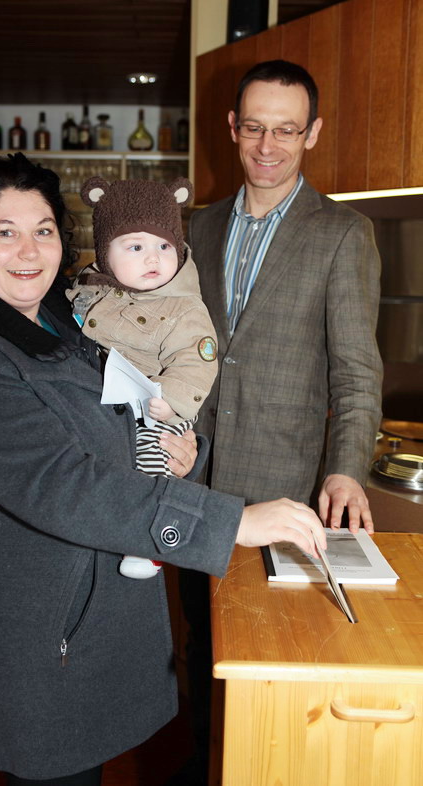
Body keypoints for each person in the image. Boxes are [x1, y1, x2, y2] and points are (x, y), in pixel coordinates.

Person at [0, 153, 326, 786]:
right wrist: (230, 522)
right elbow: (63, 485)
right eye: (4, 231)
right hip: (43, 631)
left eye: (44, 230)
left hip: (96, 619)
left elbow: (126, 418)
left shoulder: (63, 319)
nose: (29, 251)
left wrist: (183, 450)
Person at [171, 59, 383, 785]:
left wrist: (346, 469)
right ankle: (206, 763)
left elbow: (355, 370)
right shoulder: (197, 227)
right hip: (197, 485)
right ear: (233, 128)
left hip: (285, 492)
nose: (268, 145)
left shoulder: (343, 233)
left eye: (286, 130)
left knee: (275, 653)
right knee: (202, 643)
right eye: (255, 127)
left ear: (312, 133)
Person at [66, 176, 218, 579]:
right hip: (109, 407)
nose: (153, 258)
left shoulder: (183, 307)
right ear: (105, 254)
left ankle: (151, 543)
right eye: (135, 247)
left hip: (157, 407)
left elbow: (197, 359)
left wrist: (171, 399)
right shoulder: (90, 287)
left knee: (153, 463)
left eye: (164, 247)